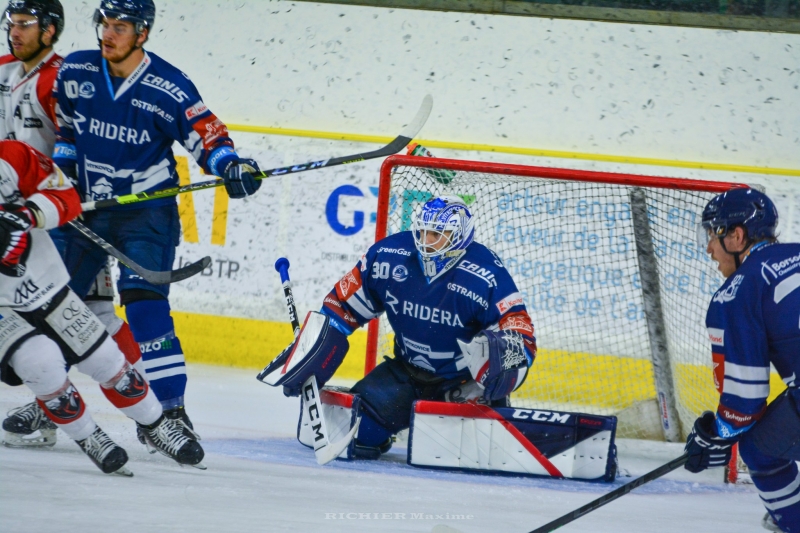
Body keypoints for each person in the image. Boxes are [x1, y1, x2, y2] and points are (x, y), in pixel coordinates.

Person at [49, 0, 262, 440]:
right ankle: (52, 399)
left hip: (145, 212)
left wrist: (230, 166)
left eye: (120, 26)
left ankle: (169, 413)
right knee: (60, 306)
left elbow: (205, 135)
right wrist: (66, 176)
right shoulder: (76, 72)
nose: (108, 34)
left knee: (145, 303)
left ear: (142, 33)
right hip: (85, 208)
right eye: (104, 24)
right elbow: (66, 131)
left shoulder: (168, 86)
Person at [263, 196, 537, 458]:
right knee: (355, 432)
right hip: (404, 374)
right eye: (423, 232)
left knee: (463, 455)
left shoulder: (487, 275)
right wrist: (311, 355)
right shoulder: (387, 257)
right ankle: (386, 428)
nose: (426, 242)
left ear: (459, 237)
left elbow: (522, 339)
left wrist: (499, 366)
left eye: (436, 235)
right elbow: (341, 309)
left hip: (463, 386)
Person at [0, 139, 204, 474]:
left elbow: (62, 192)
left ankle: (159, 421)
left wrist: (29, 212)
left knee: (106, 350)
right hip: (5, 306)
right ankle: (86, 434)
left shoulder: (11, 153)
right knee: (42, 363)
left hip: (49, 278)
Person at [0, 0, 146, 449]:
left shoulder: (63, 77)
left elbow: (87, 138)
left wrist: (76, 190)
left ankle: (153, 408)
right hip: (12, 217)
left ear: (50, 30)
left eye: (25, 24)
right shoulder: (4, 69)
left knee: (91, 314)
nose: (14, 32)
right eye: (11, 24)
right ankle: (53, 410)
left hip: (56, 215)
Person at [685, 188, 800, 532]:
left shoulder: (737, 290)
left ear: (736, 236)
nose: (708, 249)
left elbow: (744, 403)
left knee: (759, 449)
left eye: (713, 236)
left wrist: (714, 435)